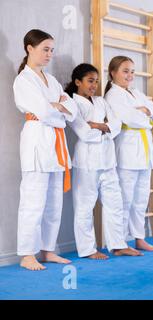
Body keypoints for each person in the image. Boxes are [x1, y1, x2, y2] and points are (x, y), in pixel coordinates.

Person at [13, 29, 78, 271]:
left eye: (52, 50)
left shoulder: (51, 81)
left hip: (55, 141)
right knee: (33, 201)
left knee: (54, 202)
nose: (49, 54)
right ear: (30, 48)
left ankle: (48, 250)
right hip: (36, 139)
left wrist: (58, 107)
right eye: (45, 49)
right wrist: (56, 108)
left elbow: (71, 108)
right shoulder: (23, 80)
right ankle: (27, 254)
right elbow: (43, 111)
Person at [65, 63, 143, 259]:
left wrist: (101, 126)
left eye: (97, 81)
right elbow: (84, 133)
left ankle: (117, 244)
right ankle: (87, 249)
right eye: (90, 81)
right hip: (87, 163)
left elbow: (117, 124)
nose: (94, 85)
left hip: (108, 161)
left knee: (115, 203)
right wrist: (105, 128)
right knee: (84, 206)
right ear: (78, 82)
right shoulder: (72, 103)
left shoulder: (100, 101)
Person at [104, 56, 153, 252]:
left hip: (144, 151)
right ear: (113, 73)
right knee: (124, 199)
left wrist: (146, 110)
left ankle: (139, 237)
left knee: (141, 199)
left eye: (132, 71)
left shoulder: (135, 92)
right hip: (127, 151)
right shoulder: (113, 95)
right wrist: (145, 113)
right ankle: (120, 242)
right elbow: (130, 118)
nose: (130, 75)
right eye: (125, 71)